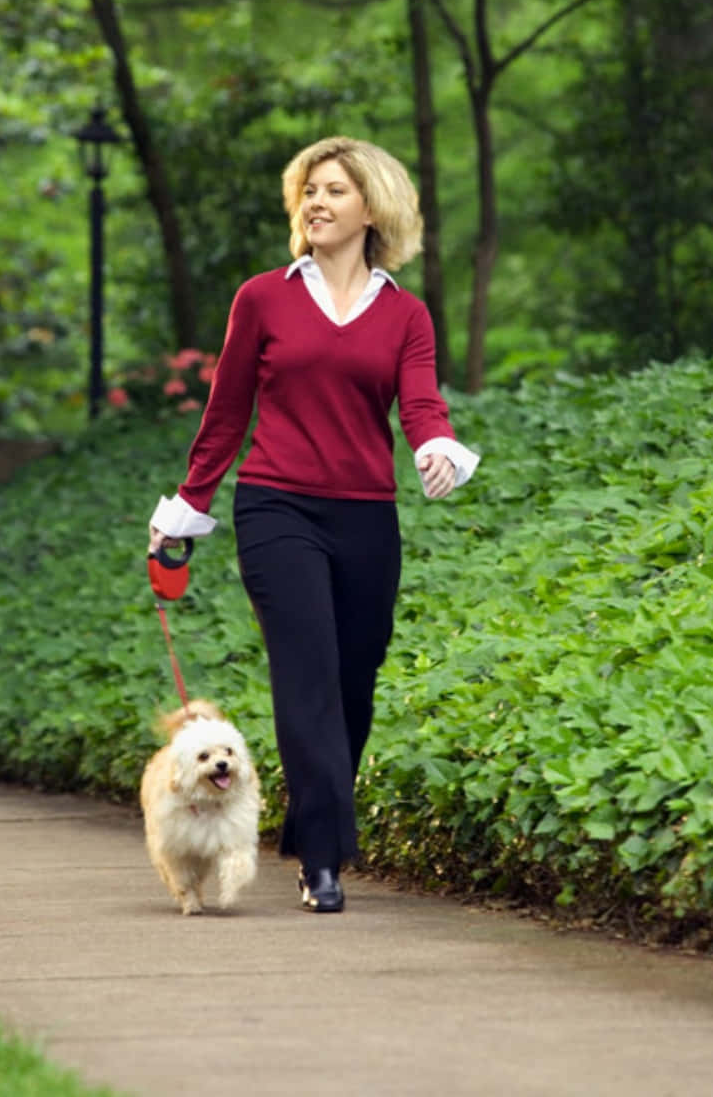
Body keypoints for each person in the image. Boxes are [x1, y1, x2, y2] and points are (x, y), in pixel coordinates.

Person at [148, 135, 479, 914]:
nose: (317, 203)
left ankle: (310, 825)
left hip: (366, 517)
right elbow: (226, 411)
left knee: (352, 688)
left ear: (373, 207)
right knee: (306, 681)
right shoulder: (263, 297)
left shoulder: (405, 314)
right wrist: (186, 509)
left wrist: (436, 446)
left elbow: (422, 404)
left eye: (334, 190)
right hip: (276, 506)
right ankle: (326, 858)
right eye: (309, 191)